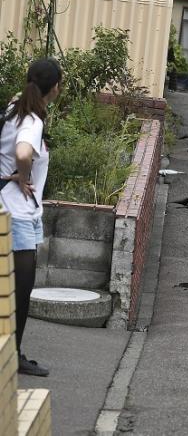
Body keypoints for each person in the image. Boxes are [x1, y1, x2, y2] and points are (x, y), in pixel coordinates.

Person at [0, 58, 62, 377]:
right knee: (19, 292)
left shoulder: (13, 109)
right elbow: (23, 153)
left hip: (6, 207)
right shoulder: (32, 119)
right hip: (19, 214)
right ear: (54, 88)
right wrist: (23, 177)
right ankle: (14, 357)